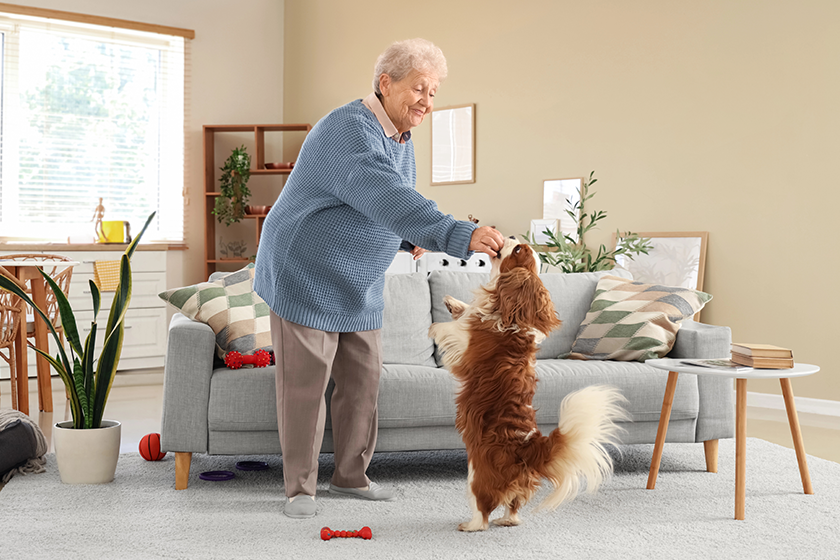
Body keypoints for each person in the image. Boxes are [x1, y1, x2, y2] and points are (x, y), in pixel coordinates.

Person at [253, 38, 504, 519]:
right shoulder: (348, 130)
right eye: (418, 89)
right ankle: (299, 490)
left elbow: (375, 208)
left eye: (433, 92)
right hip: (303, 273)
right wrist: (457, 233)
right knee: (305, 388)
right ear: (386, 84)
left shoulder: (399, 138)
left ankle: (350, 477)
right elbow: (386, 195)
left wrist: (405, 240)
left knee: (362, 381)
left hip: (358, 279)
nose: (427, 102)